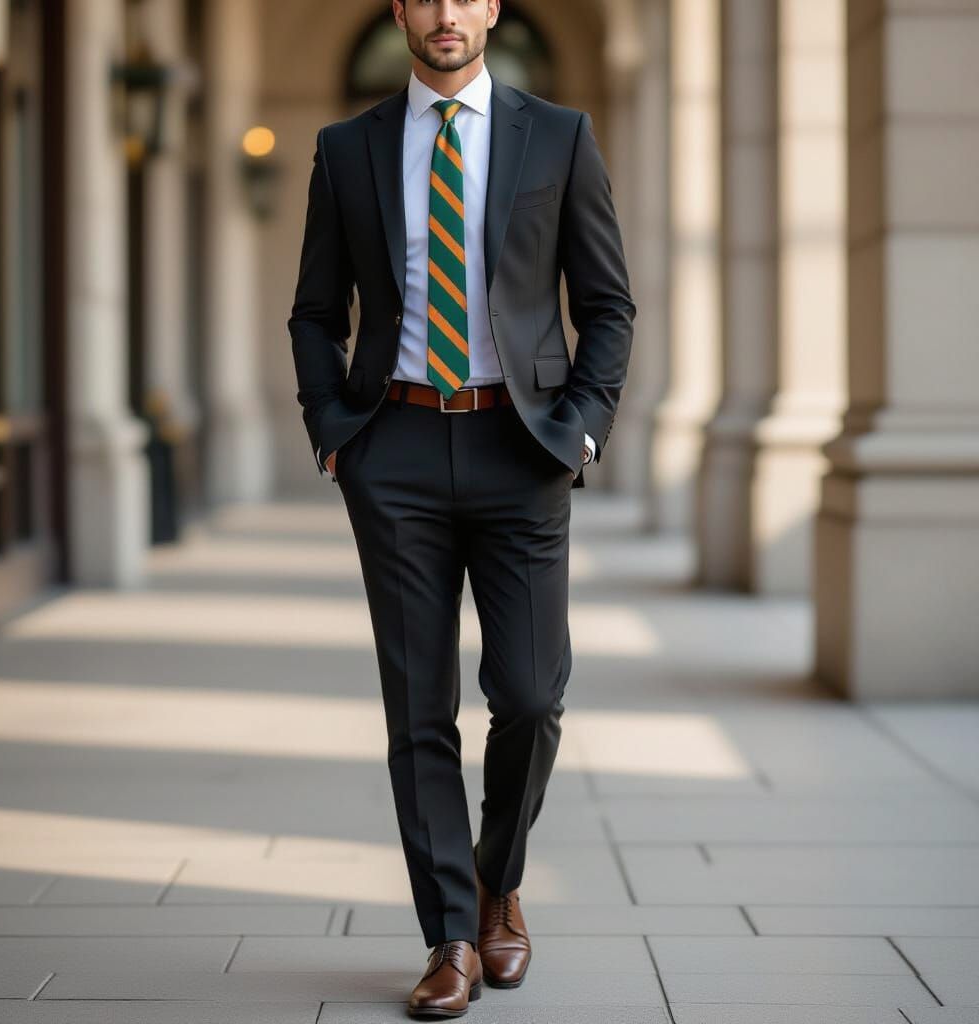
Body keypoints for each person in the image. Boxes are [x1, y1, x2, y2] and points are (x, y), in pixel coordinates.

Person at [287, 0, 635, 1016]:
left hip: (518, 447)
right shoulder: (347, 148)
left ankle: (498, 880)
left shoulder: (558, 135)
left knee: (529, 694)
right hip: (391, 446)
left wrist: (578, 428)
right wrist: (331, 423)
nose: (444, 14)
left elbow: (606, 302)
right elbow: (317, 308)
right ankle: (448, 935)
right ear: (400, 9)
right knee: (417, 705)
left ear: (489, 8)